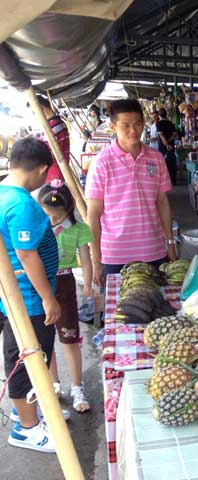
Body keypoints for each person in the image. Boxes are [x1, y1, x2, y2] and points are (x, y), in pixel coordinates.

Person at [0, 137, 61, 452]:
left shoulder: (3, 192)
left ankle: (28, 411)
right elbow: (27, 255)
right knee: (29, 361)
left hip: (18, 297)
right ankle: (27, 428)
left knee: (30, 360)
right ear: (40, 169)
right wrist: (48, 298)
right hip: (30, 301)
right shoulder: (22, 204)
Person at [86, 99, 177, 287]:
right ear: (113, 126)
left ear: (144, 123)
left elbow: (162, 202)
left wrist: (170, 242)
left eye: (137, 124)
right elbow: (93, 215)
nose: (133, 131)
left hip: (154, 251)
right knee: (120, 312)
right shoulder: (102, 162)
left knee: (157, 310)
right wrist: (96, 259)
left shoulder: (156, 159)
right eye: (125, 126)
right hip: (115, 255)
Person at [38, 181, 92, 413]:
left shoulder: (79, 229)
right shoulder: (37, 228)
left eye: (57, 216)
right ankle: (54, 385)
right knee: (46, 339)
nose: (52, 221)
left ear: (68, 211)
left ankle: (77, 387)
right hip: (40, 286)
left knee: (70, 338)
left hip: (65, 285)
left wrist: (88, 285)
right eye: (47, 215)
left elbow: (86, 259)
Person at [35, 95, 68, 184]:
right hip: (57, 173)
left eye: (34, 112)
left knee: (53, 198)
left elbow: (48, 154)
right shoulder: (58, 123)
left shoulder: (53, 127)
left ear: (41, 109)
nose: (35, 116)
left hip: (54, 175)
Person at [156, 108, 178, 185]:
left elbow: (161, 135)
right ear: (166, 114)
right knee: (171, 162)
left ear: (159, 115)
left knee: (163, 164)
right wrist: (169, 142)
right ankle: (173, 180)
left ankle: (166, 181)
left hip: (163, 147)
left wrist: (166, 144)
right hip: (171, 146)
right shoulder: (170, 123)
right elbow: (174, 135)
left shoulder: (158, 123)